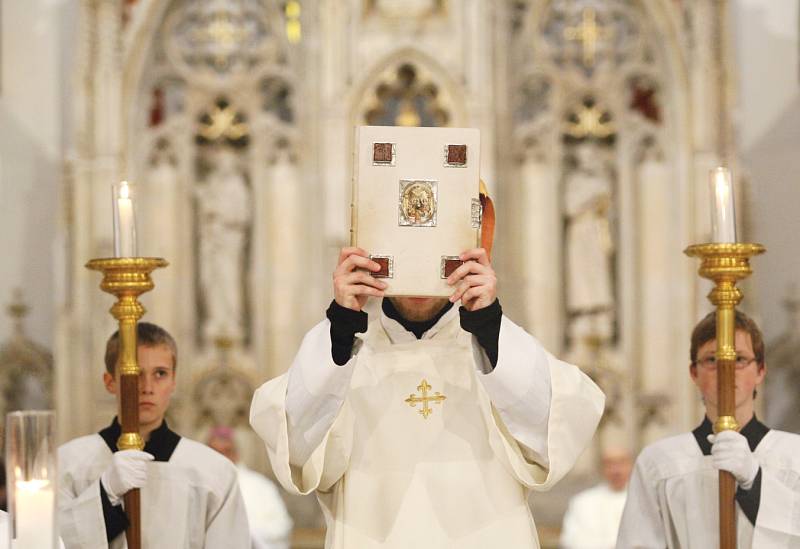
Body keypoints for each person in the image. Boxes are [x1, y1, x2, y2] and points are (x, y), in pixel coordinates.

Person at [250, 246, 605, 548]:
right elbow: (293, 440)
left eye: (437, 256)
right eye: (403, 256)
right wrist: (341, 324)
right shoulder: (339, 358)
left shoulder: (498, 352)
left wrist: (490, 325)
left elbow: (556, 424)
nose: (419, 274)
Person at [617, 310, 800, 548]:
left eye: (740, 359)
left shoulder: (794, 455)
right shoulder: (659, 462)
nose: (726, 369)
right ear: (694, 372)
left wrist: (755, 484)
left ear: (760, 371)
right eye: (712, 360)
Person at [58, 322, 250, 548]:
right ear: (110, 382)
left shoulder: (213, 472)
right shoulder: (68, 462)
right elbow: (48, 539)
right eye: (135, 374)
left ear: (173, 381)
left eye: (160, 374)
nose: (147, 387)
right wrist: (104, 494)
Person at [207, 426, 293, 549]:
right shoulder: (195, 484)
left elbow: (281, 527)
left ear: (236, 454)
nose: (221, 457)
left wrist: (245, 532)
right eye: (215, 451)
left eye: (226, 451)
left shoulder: (261, 486)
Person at [559, 447, 632, 549]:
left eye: (621, 462)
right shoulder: (582, 502)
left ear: (631, 465)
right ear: (601, 468)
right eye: (610, 464)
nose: (616, 470)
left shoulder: (644, 501)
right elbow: (570, 540)